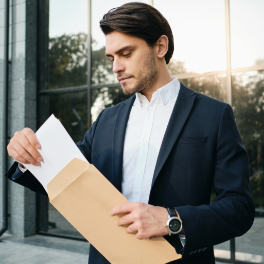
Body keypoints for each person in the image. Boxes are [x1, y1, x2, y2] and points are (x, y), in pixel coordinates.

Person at [6, 2, 254, 264]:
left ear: (160, 46)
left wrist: (172, 220)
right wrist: (27, 154)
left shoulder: (214, 115)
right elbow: (65, 175)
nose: (116, 68)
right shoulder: (106, 119)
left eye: (126, 53)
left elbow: (240, 208)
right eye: (112, 58)